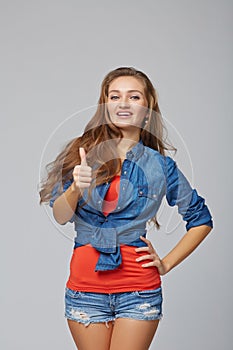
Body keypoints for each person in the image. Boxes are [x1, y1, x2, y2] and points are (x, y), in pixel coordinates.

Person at [39, 67, 213, 350]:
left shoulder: (161, 166)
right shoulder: (81, 152)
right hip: (85, 290)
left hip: (138, 290)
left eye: (133, 97)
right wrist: (75, 188)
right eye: (114, 96)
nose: (122, 103)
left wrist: (166, 263)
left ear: (147, 109)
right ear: (105, 105)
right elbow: (61, 216)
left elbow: (201, 219)